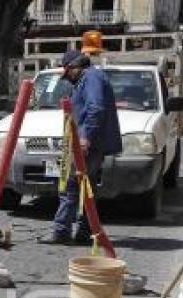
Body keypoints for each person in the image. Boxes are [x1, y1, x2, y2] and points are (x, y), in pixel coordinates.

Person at [39, 50, 121, 245]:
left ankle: (62, 231)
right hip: (83, 143)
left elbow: (96, 108)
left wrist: (85, 138)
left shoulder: (92, 77)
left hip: (86, 145)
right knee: (86, 189)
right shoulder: (87, 79)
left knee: (70, 187)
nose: (68, 79)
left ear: (74, 67)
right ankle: (86, 232)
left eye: (68, 74)